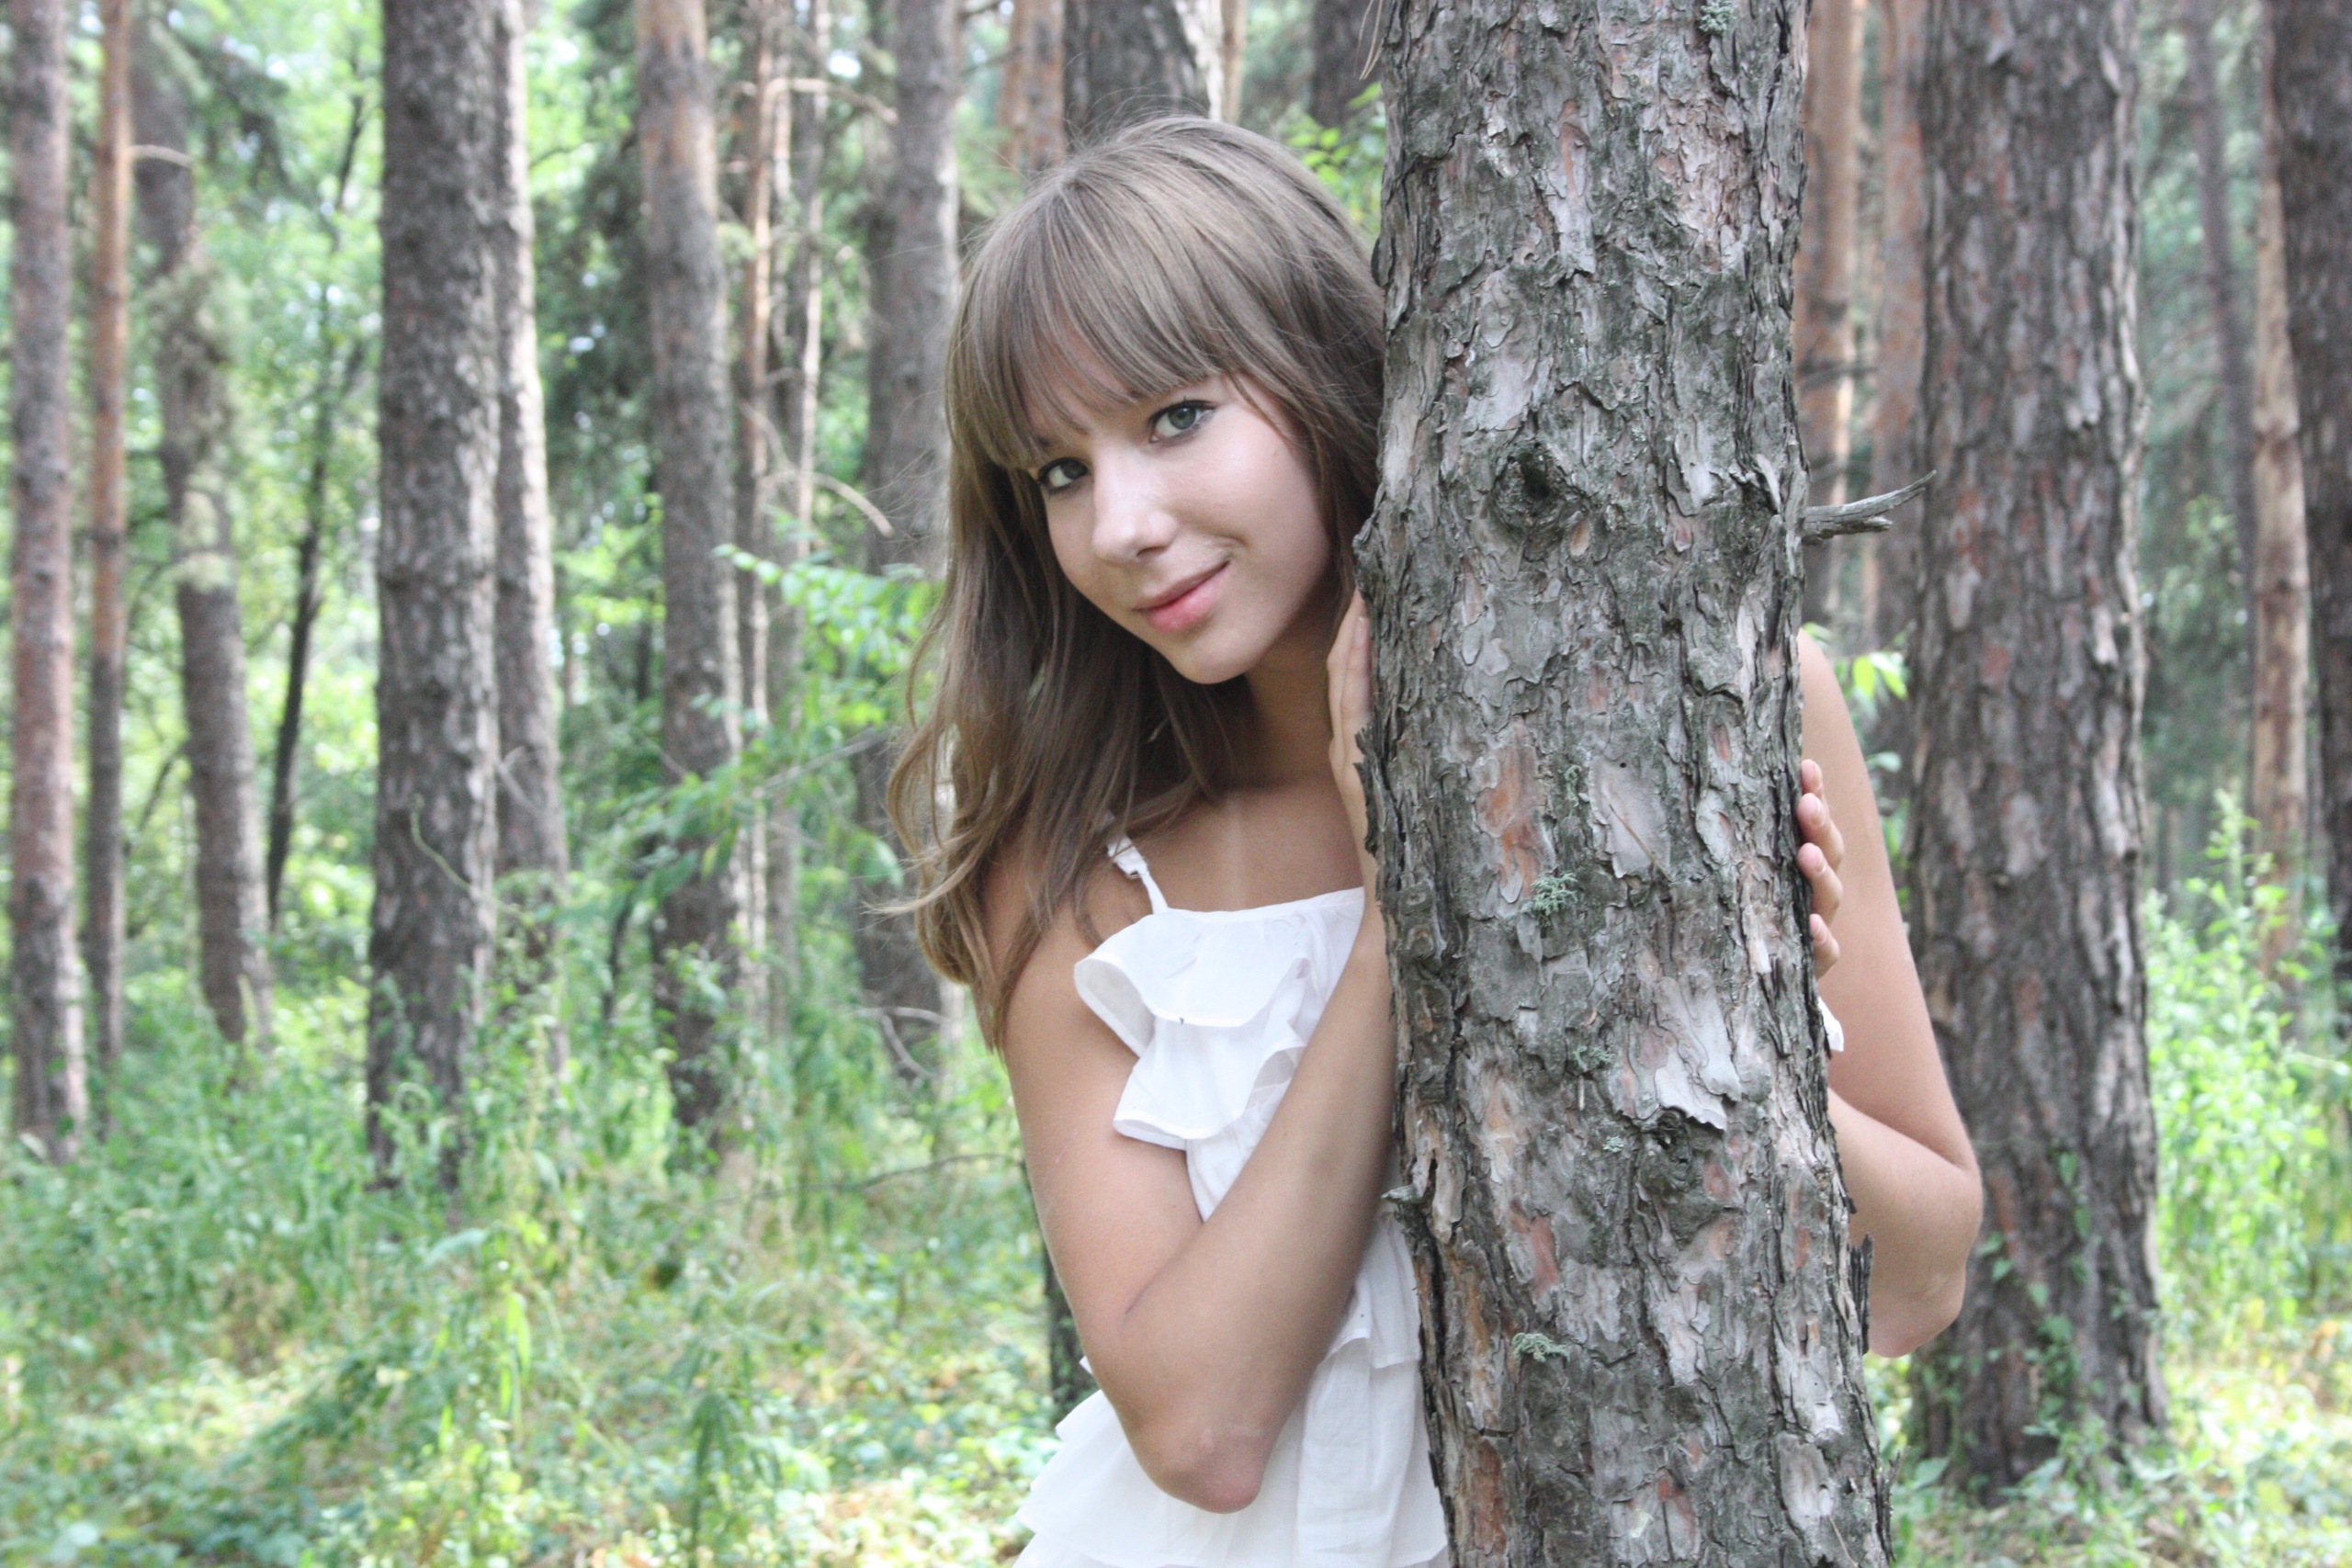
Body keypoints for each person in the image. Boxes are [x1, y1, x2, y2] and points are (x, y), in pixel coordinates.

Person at [890, 117, 1982, 1568]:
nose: (1121, 525)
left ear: (1320, 365)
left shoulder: (1730, 700)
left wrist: (1704, 1003)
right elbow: (1201, 1432)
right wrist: (1399, 917)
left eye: (1174, 417)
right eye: (1058, 473)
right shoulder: (1077, 872)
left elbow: (1919, 1282)